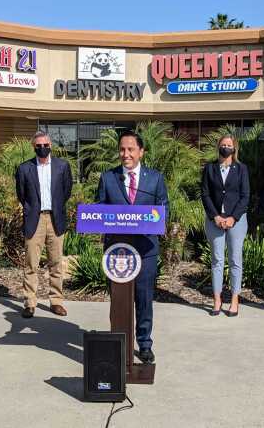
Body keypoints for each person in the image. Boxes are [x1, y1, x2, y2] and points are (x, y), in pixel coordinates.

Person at [96, 130, 168, 364]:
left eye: (130, 149)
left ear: (141, 152)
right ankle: (118, 341)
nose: (125, 154)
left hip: (146, 249)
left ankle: (144, 343)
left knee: (144, 298)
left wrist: (152, 220)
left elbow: (163, 209)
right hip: (117, 251)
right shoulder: (108, 178)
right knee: (119, 299)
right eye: (122, 149)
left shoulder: (155, 179)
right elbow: (99, 210)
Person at [15, 131, 73, 318]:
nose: (42, 148)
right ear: (34, 147)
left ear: (51, 145)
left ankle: (56, 301)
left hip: (55, 218)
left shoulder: (62, 166)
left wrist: (55, 207)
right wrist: (31, 210)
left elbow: (66, 191)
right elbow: (21, 195)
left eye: (45, 145)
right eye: (38, 145)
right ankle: (30, 303)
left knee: (56, 263)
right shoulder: (24, 168)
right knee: (31, 263)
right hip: (35, 219)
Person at [201, 134, 250, 316]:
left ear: (234, 148)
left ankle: (235, 300)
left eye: (229, 145)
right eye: (223, 145)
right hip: (215, 221)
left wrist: (232, 218)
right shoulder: (210, 168)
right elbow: (205, 194)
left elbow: (245, 196)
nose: (226, 147)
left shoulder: (241, 169)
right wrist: (215, 216)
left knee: (235, 260)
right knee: (217, 260)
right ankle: (217, 300)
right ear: (218, 147)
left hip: (236, 221)